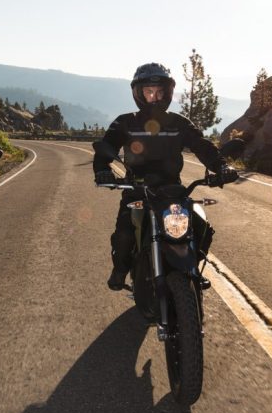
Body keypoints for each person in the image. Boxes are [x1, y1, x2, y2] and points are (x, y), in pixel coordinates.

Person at [93, 62, 238, 291]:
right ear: (139, 94)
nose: (155, 97)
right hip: (137, 190)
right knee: (124, 233)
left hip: (172, 191)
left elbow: (202, 146)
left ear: (168, 93)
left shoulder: (179, 123)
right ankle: (120, 270)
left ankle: (191, 269)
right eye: (149, 92)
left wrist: (221, 168)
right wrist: (102, 170)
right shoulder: (126, 122)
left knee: (200, 226)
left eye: (160, 91)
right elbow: (106, 146)